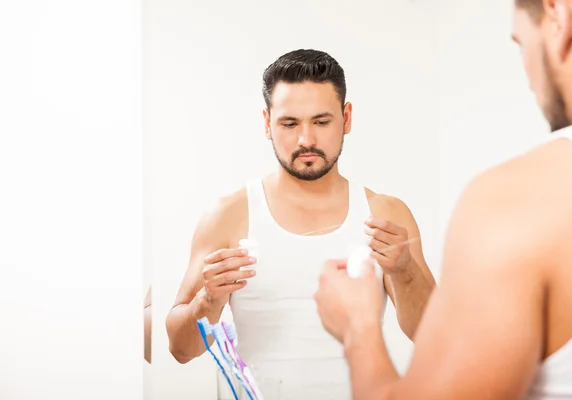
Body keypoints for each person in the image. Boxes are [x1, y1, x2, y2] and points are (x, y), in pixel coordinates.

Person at [314, 1, 572, 399]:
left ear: (558, 16)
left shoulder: (519, 200)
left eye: (521, 44)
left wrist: (358, 329)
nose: (530, 79)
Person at [165, 49, 436, 398]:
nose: (306, 139)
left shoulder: (385, 214)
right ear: (267, 123)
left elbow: (434, 337)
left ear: (346, 117)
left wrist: (405, 271)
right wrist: (208, 301)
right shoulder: (228, 216)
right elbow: (179, 349)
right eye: (289, 124)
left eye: (321, 122)